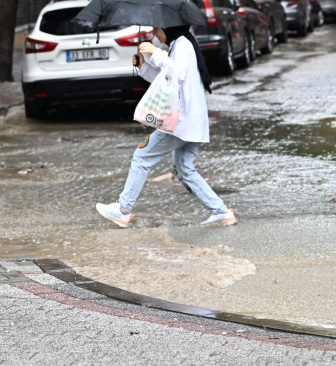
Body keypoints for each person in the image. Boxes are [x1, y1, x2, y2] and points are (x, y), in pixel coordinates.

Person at [95, 25, 237, 228]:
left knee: (141, 156)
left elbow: (178, 73)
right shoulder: (179, 45)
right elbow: (167, 80)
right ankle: (221, 212)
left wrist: (156, 52)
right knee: (183, 169)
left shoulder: (182, 45)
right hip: (191, 121)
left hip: (181, 122)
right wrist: (143, 66)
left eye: (157, 28)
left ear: (169, 26)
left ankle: (123, 210)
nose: (154, 33)